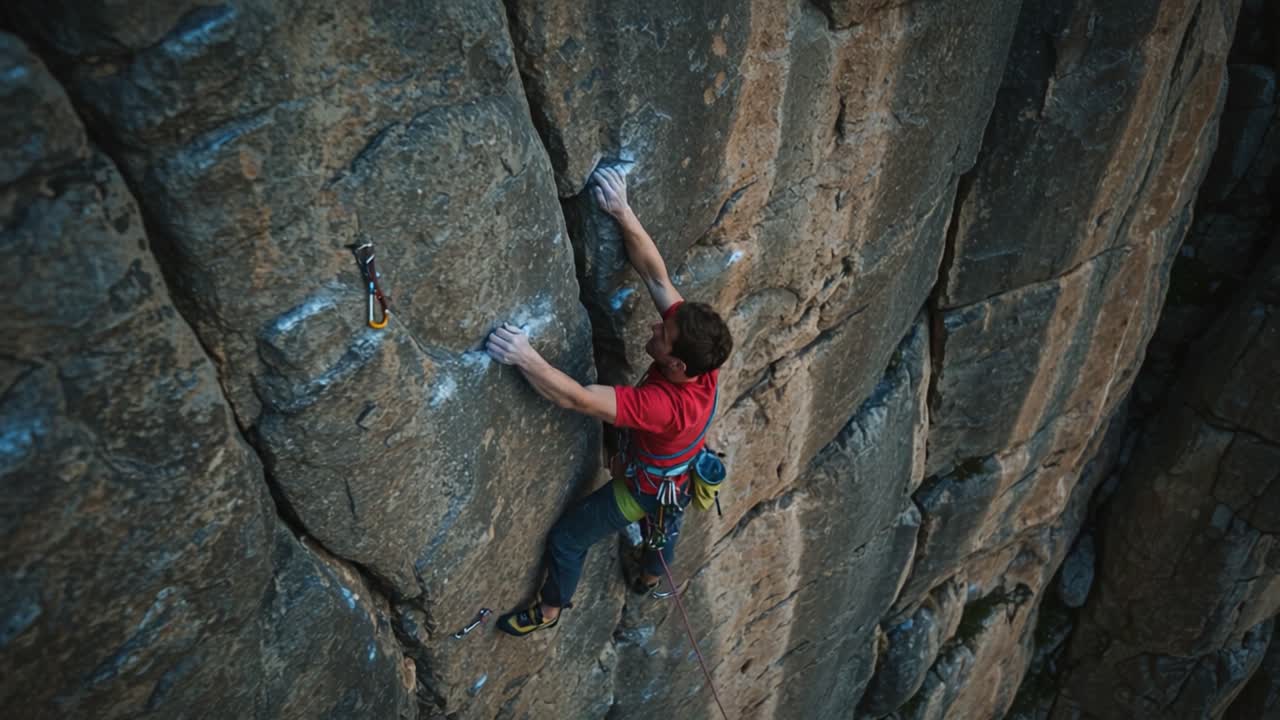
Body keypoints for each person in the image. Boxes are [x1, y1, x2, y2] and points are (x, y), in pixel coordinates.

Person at [485, 166, 734, 636]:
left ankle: (550, 610)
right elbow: (656, 277)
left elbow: (577, 398)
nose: (655, 326)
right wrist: (622, 211)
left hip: (645, 485)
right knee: (667, 521)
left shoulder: (662, 405)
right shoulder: (705, 357)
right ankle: (651, 574)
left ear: (677, 365)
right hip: (677, 471)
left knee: (568, 538)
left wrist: (523, 356)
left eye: (663, 336)